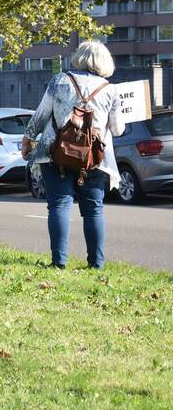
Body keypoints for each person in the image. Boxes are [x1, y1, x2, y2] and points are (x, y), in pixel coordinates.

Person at [22, 40, 124, 269]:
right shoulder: (110, 90)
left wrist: (27, 140)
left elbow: (41, 115)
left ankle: (59, 262)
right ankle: (96, 264)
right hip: (93, 159)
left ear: (79, 57)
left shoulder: (59, 81)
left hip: (56, 154)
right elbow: (118, 130)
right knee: (94, 210)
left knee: (59, 206)